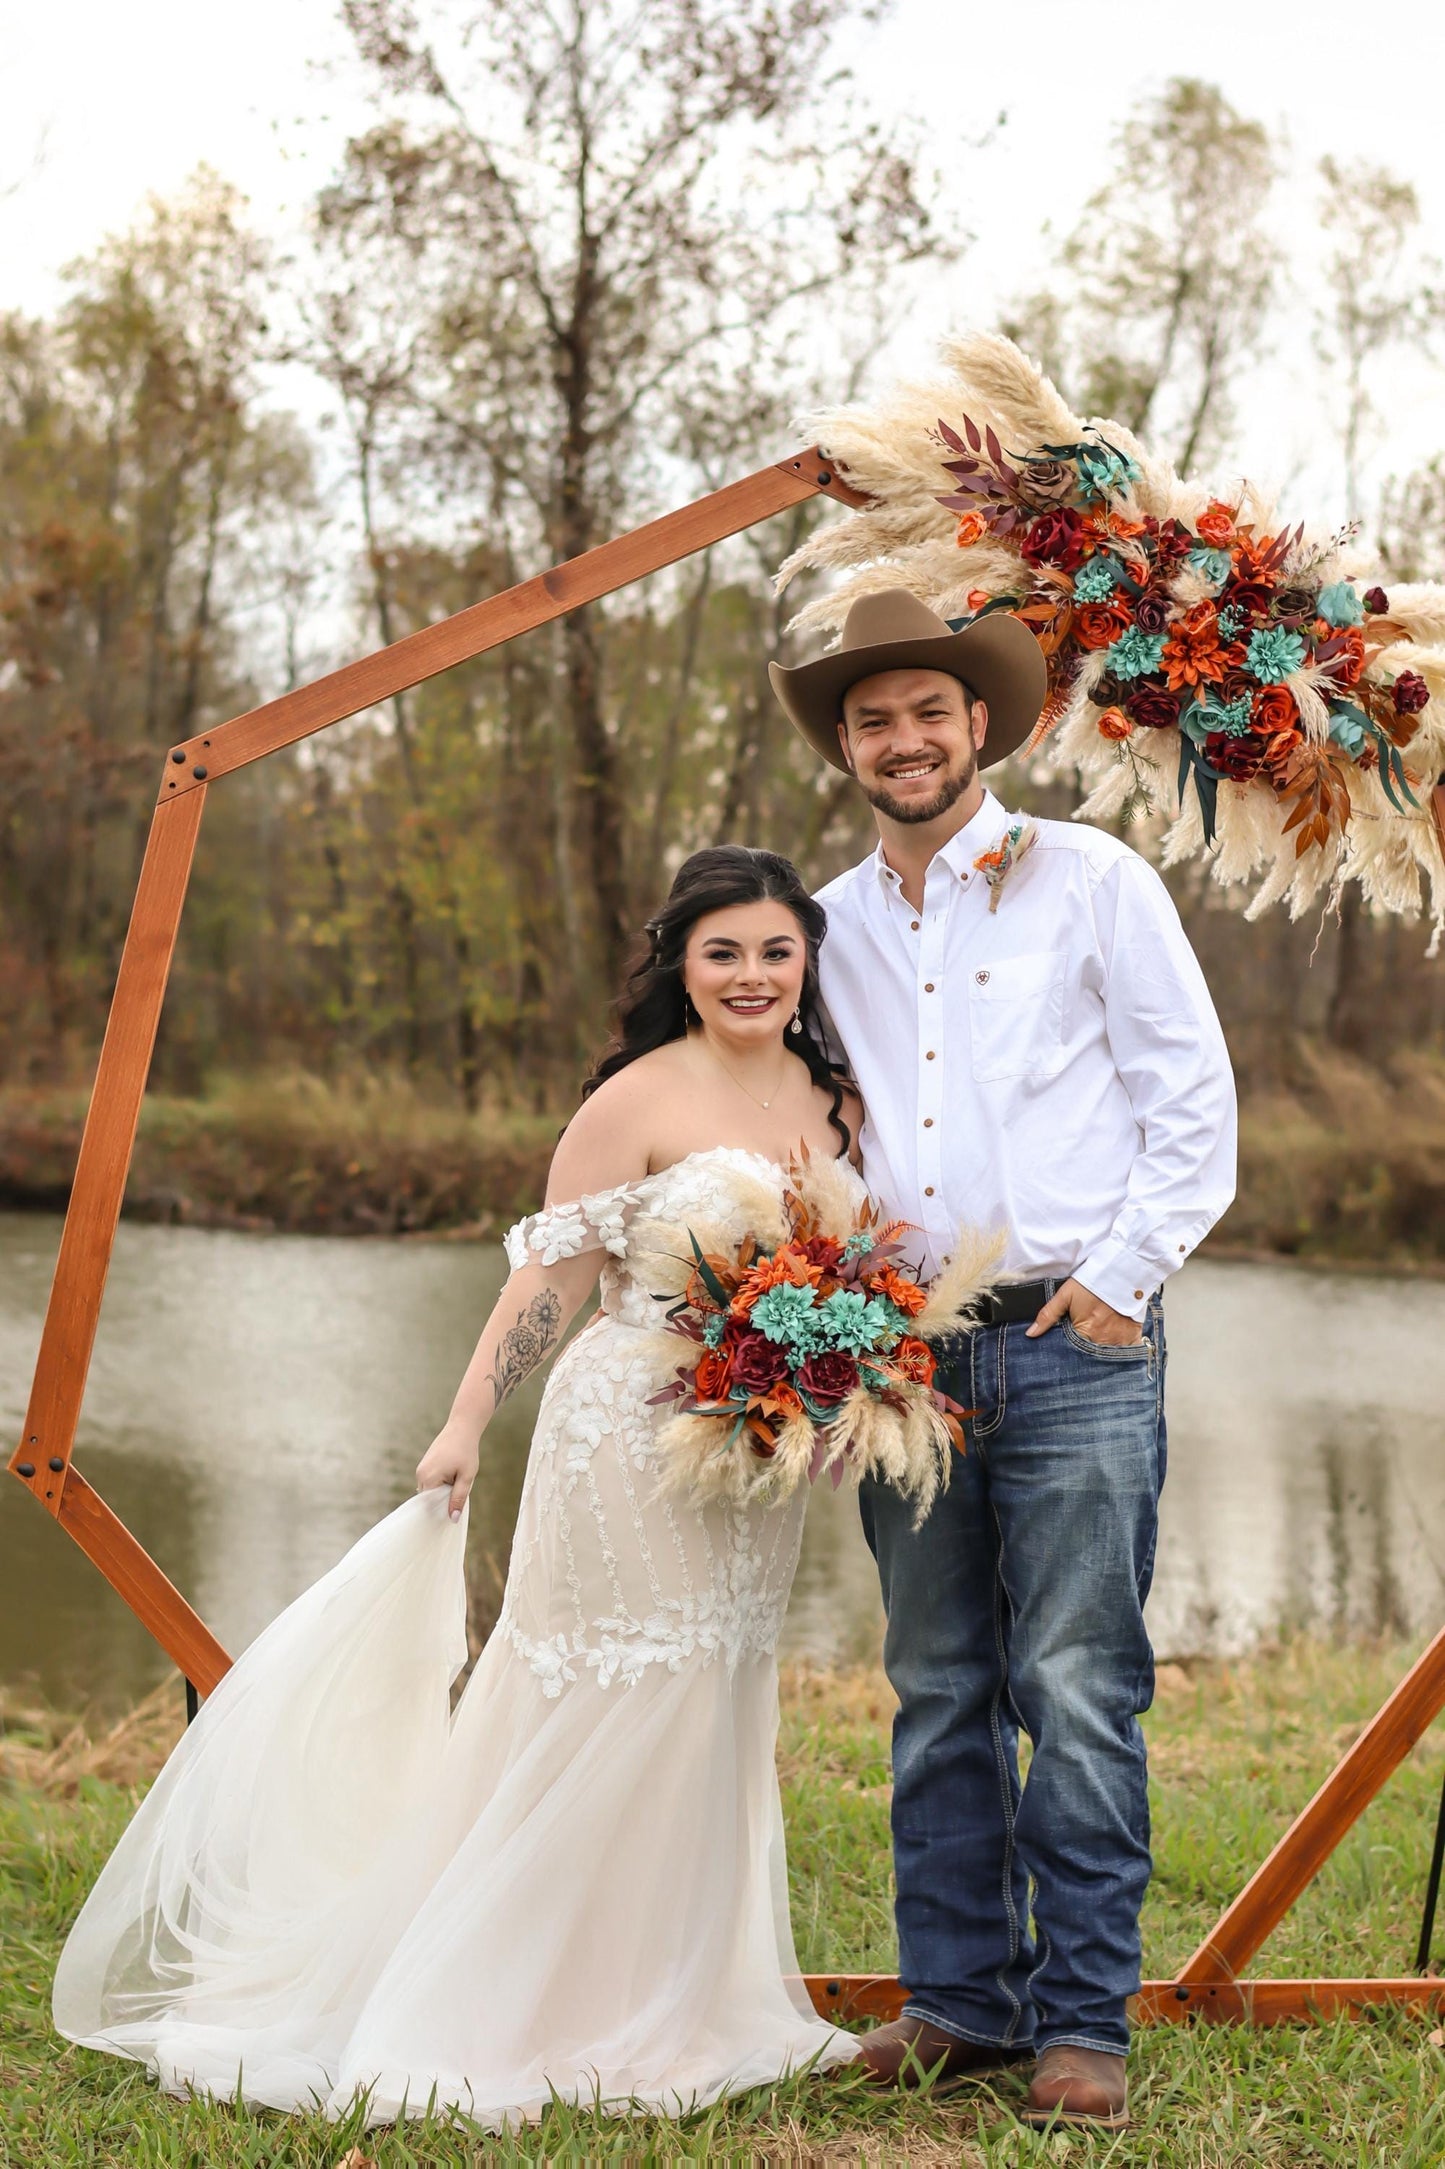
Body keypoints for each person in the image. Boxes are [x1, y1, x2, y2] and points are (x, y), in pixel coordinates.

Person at [52, 847, 875, 2128]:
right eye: (722, 952)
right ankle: (515, 2005)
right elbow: (547, 1283)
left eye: (774, 951)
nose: (751, 976)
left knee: (712, 1692)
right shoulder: (634, 1098)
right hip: (624, 1438)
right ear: (680, 965)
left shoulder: (836, 1100)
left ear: (806, 960)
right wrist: (466, 1418)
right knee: (613, 1687)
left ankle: (664, 1995)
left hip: (752, 1460)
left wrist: (832, 1392)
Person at [770, 587, 1237, 2131]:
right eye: (871, 719)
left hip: (1069, 1337)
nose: (902, 740)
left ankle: (1079, 2020)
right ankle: (960, 2001)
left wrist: (1122, 1278)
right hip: (902, 1356)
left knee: (1077, 1682)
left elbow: (1192, 1100)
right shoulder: (820, 928)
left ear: (979, 724)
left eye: (927, 712)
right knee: (937, 1682)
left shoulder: (1092, 879)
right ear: (847, 746)